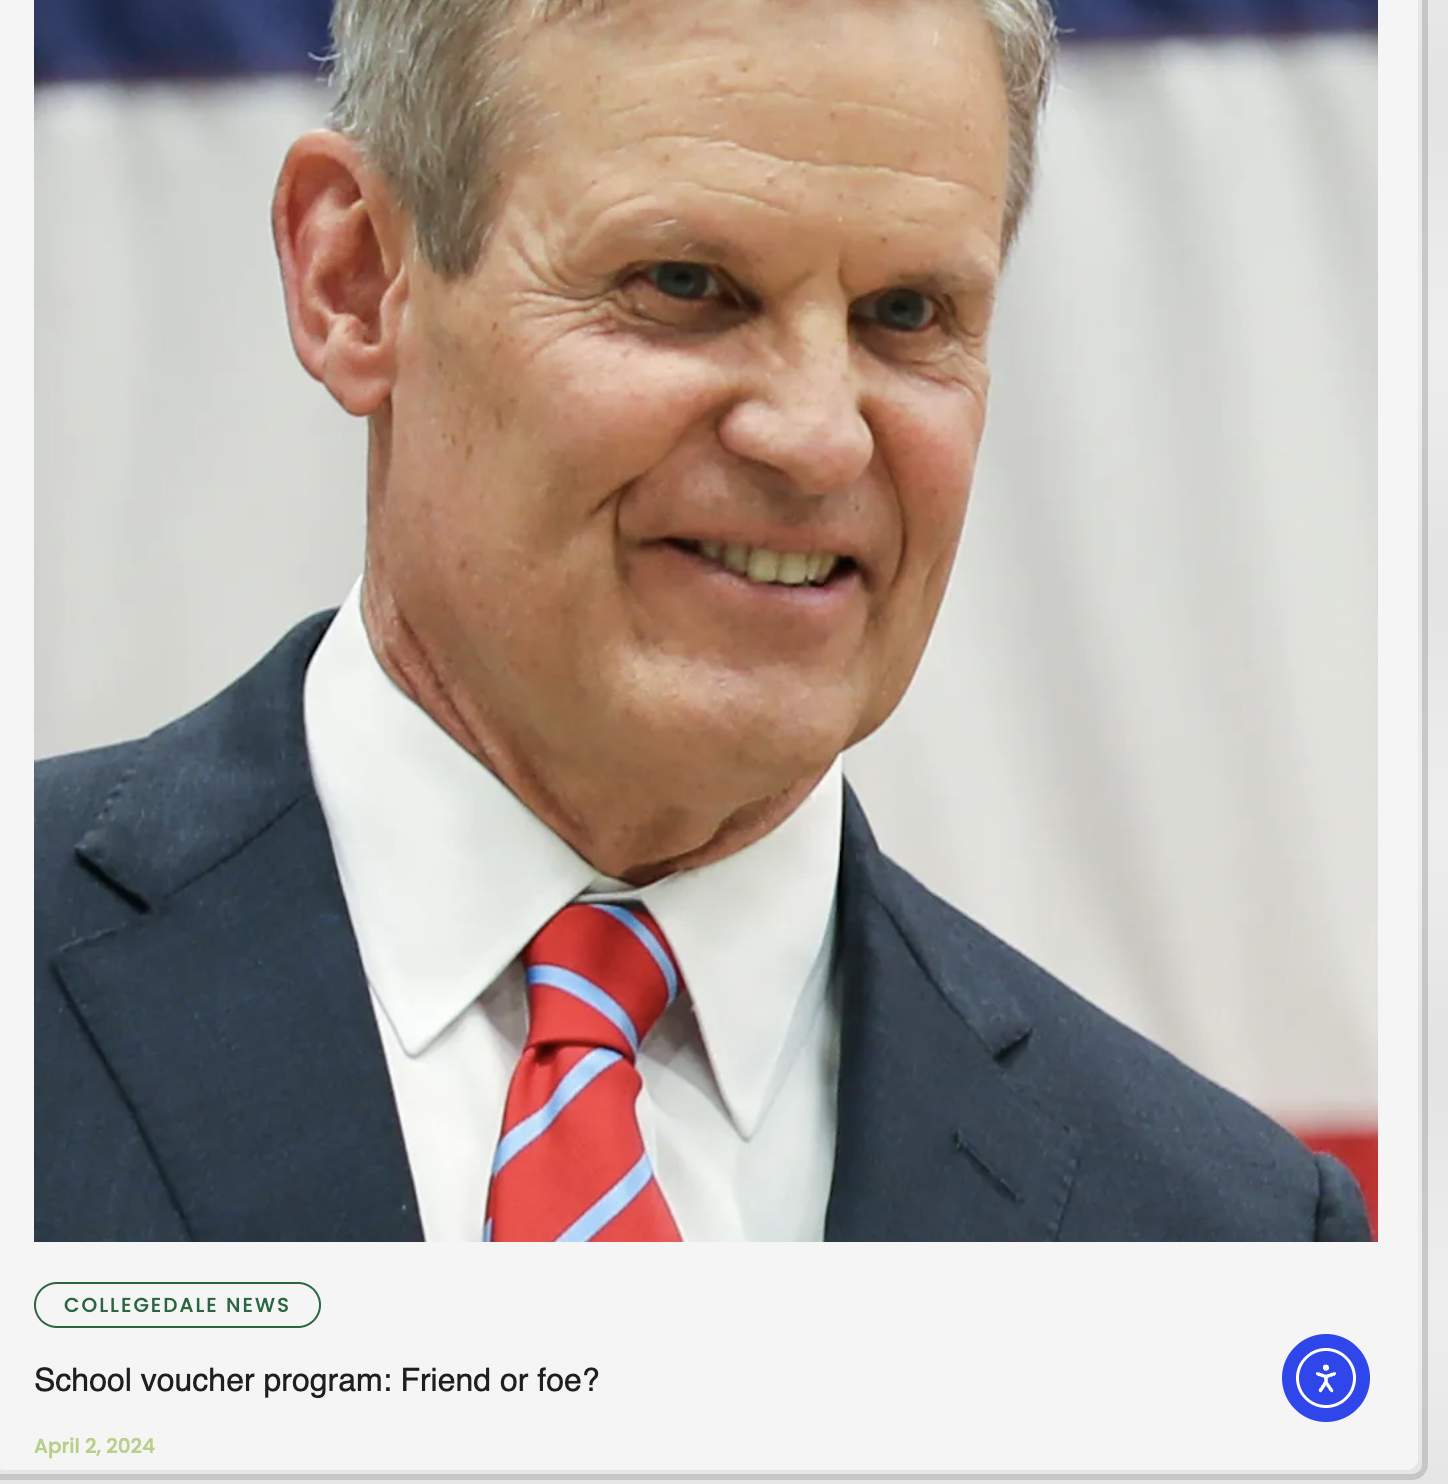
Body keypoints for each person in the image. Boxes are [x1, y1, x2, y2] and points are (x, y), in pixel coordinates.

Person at [34, 0, 1371, 1242]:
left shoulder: (1232, 1239)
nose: (814, 435)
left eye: (906, 314)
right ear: (355, 276)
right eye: (685, 284)